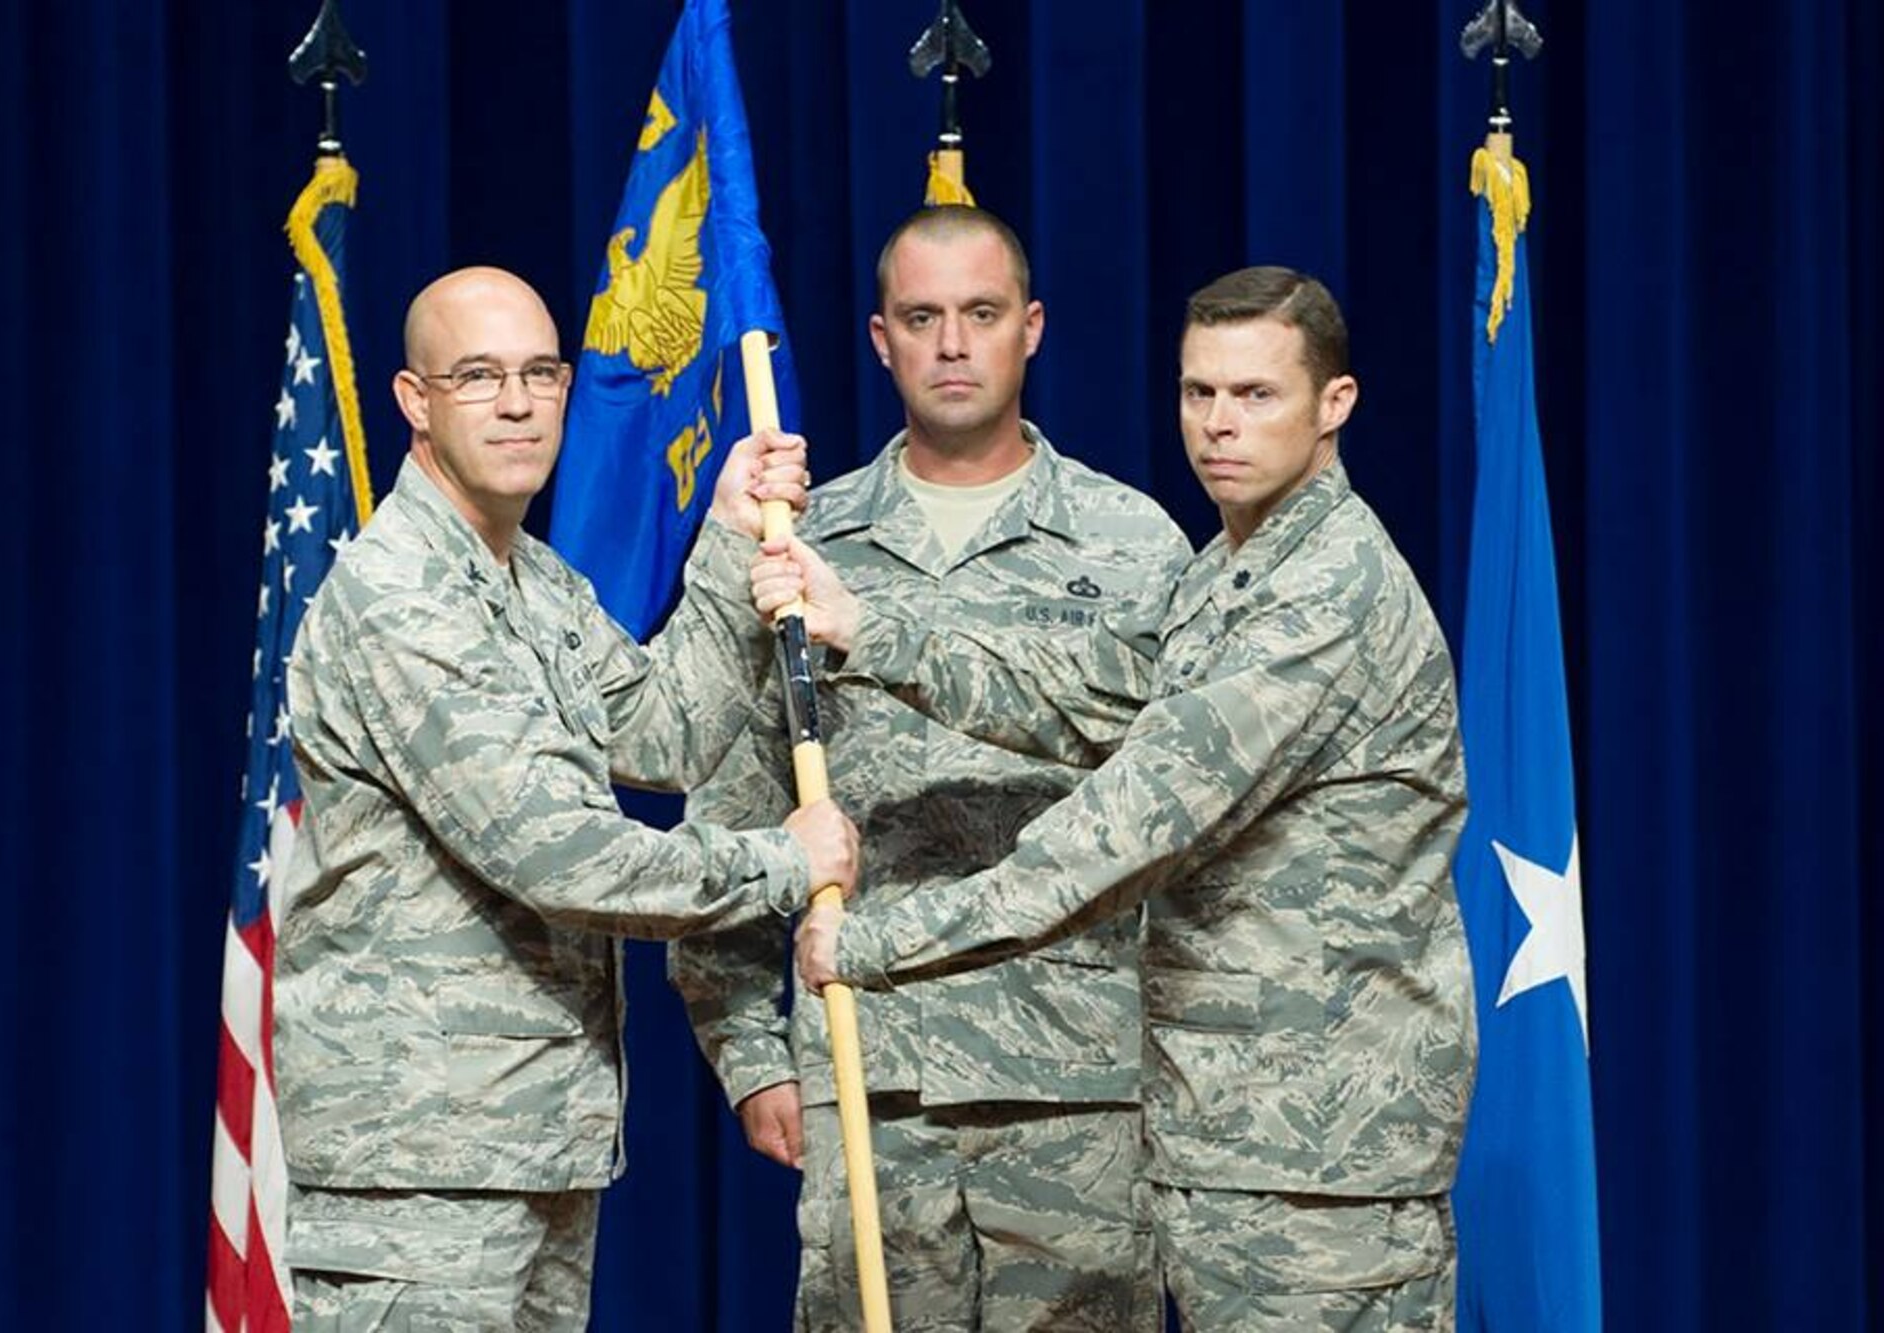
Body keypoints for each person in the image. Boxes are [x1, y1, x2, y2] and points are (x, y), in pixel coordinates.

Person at [775, 266, 1476, 1331]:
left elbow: (1122, 830)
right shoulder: (1229, 572)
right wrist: (867, 630)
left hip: (1321, 1160)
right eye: (1199, 393)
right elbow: (1087, 687)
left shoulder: (1324, 592)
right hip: (1227, 1138)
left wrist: (871, 944)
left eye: (1255, 395)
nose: (1218, 426)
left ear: (1332, 405)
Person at [274, 266, 859, 1331]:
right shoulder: (402, 594)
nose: (516, 402)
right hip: (418, 1168)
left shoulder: (530, 579)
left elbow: (666, 732)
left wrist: (729, 538)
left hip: (528, 1141)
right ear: (415, 400)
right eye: (479, 376)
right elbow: (559, 855)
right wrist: (782, 863)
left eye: (539, 372)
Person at [669, 207, 1192, 1331]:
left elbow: (1182, 799)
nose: (951, 344)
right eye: (921, 317)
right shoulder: (801, 540)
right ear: (879, 339)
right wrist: (749, 1052)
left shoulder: (1135, 543)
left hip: (1076, 1082)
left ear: (1031, 329)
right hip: (873, 1074)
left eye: (980, 314)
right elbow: (732, 808)